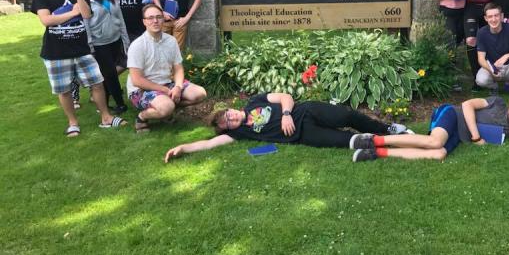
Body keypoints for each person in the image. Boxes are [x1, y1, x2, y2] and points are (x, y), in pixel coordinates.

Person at [163, 93, 413, 162]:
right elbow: (208, 144)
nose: (230, 118)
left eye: (227, 114)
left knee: (346, 115)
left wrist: (285, 115)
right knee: (343, 141)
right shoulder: (240, 133)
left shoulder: (254, 102)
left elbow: (285, 96)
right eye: (226, 122)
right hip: (303, 135)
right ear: (227, 128)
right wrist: (182, 148)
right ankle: (375, 143)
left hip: (304, 111)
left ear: (231, 108)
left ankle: (387, 129)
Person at [31, 0, 126, 137]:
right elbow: (47, 20)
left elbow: (87, 14)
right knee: (64, 90)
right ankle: (73, 123)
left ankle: (106, 118)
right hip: (56, 52)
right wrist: (73, 12)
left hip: (82, 50)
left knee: (97, 83)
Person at [351, 90, 509, 162]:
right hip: (453, 114)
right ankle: (372, 139)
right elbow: (467, 105)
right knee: (435, 142)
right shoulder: (497, 102)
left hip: (460, 135)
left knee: (438, 154)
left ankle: (376, 153)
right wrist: (476, 137)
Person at [127, 4, 208, 132]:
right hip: (141, 90)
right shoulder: (137, 46)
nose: (155, 21)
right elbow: (137, 80)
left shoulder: (171, 41)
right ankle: (142, 117)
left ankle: (166, 107)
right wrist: (163, 89)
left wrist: (177, 87)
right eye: (150, 18)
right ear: (144, 22)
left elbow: (178, 69)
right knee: (167, 107)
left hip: (167, 84)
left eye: (159, 17)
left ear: (163, 19)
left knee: (200, 94)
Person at [86, 0, 130, 114]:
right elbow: (86, 23)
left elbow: (121, 19)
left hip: (115, 40)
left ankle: (101, 99)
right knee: (110, 74)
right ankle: (120, 104)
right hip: (99, 44)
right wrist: (90, 44)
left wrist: (125, 41)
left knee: (108, 74)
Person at [66, 0, 90, 108]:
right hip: (73, 22)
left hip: (92, 21)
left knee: (91, 58)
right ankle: (74, 96)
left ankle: (95, 91)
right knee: (73, 61)